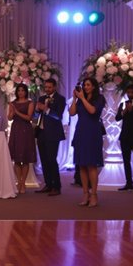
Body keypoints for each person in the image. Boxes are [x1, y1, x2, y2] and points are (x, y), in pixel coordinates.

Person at [69, 78, 105, 207]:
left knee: (91, 165)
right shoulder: (79, 99)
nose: (86, 87)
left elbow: (93, 111)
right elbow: (72, 113)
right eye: (84, 85)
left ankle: (94, 194)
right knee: (81, 165)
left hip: (92, 132)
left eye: (88, 85)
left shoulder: (99, 98)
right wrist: (74, 99)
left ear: (94, 87)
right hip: (80, 132)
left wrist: (83, 98)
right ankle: (85, 193)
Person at [35, 79, 66, 196]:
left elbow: (58, 116)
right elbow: (36, 116)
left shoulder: (60, 99)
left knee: (52, 160)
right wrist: (37, 111)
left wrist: (46, 109)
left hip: (53, 133)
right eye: (46, 87)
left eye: (49, 87)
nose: (47, 89)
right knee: (43, 160)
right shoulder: (42, 99)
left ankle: (56, 186)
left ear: (55, 87)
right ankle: (48, 184)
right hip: (41, 132)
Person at [6, 83, 36, 194]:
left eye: (22, 90)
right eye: (19, 90)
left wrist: (17, 112)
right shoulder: (13, 103)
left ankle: (23, 182)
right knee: (17, 159)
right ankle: (19, 181)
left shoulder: (30, 103)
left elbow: (29, 118)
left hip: (26, 130)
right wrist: (11, 111)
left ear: (25, 92)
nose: (20, 92)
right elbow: (9, 118)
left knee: (26, 158)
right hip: (16, 129)